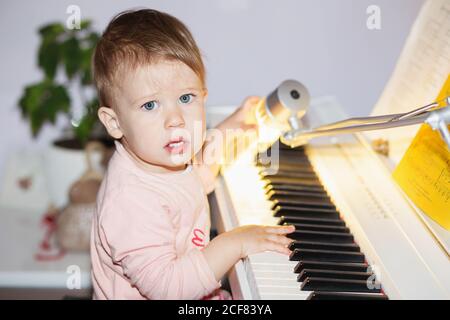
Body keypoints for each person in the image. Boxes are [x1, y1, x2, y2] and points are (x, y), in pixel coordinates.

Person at [90, 8, 295, 300]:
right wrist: (233, 243)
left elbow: (196, 175)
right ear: (115, 122)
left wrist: (232, 127)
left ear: (204, 97)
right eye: (150, 105)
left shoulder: (159, 161)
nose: (176, 119)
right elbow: (168, 288)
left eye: (186, 98)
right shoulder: (130, 201)